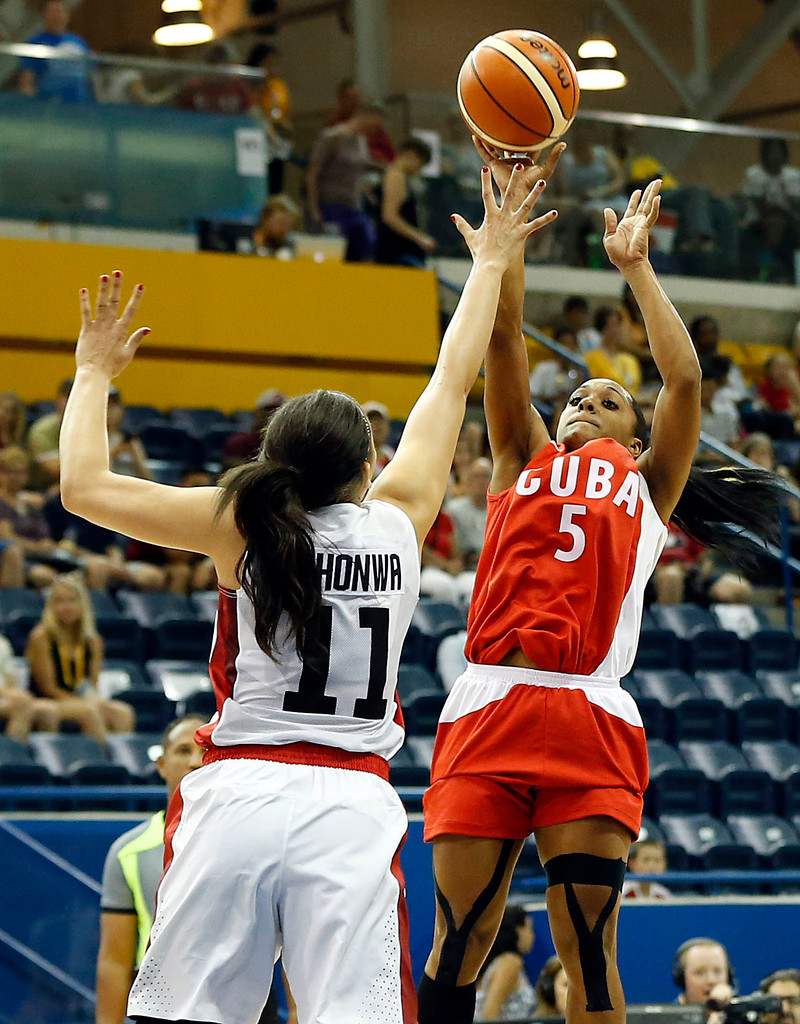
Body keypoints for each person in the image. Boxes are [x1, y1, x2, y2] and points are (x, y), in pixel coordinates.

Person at [58, 169, 557, 1023]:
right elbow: (450, 379)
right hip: (351, 805)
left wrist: (94, 370)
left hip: (241, 793)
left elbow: (80, 485)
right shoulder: (400, 520)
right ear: (369, 466)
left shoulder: (238, 522)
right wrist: (491, 260)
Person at [418, 144, 782, 1024]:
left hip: (589, 709)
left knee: (589, 950)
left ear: (635, 428)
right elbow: (502, 335)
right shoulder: (520, 454)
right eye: (577, 393)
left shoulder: (651, 486)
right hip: (493, 701)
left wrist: (637, 270)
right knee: (462, 936)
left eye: (609, 398)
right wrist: (503, 246)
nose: (586, 398)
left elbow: (684, 376)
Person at [96, 716, 206, 1024]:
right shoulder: (129, 851)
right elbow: (115, 961)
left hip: (245, 1005)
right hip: (158, 1006)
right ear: (161, 764)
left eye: (206, 750)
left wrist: (294, 1014)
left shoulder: (254, 840)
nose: (196, 762)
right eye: (183, 751)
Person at [27, 573, 135, 743]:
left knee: (123, 712)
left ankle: (122, 762)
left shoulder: (93, 640)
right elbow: (47, 687)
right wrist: (85, 703)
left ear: (82, 604)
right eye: (59, 601)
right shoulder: (42, 636)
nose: (66, 607)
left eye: (72, 600)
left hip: (80, 698)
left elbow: (92, 684)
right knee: (89, 712)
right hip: (49, 700)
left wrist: (96, 700)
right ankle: (104, 759)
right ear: (50, 606)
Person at [305, 107, 384, 262]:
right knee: (333, 252)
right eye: (373, 125)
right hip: (329, 204)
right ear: (363, 117)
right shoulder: (331, 137)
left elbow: (360, 168)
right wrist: (313, 209)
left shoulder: (361, 140)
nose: (374, 130)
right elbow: (312, 174)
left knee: (367, 240)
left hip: (352, 205)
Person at [376, 138, 436, 267]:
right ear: (412, 156)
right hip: (396, 248)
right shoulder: (395, 177)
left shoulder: (399, 176)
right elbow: (389, 216)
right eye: (419, 165)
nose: (417, 170)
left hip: (401, 246)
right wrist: (418, 237)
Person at [18, 0, 93, 103]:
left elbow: (91, 77)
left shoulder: (79, 43)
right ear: (45, 15)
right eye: (53, 12)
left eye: (60, 12)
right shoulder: (36, 44)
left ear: (67, 15)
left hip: (79, 105)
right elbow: (27, 81)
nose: (57, 16)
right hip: (49, 106)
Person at [474, 905, 536, 1021]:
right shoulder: (510, 963)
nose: (532, 936)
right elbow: (489, 1014)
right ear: (518, 930)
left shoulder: (495, 962)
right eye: (529, 928)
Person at [247, 43, 292, 194]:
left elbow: (282, 115)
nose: (271, 68)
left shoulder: (277, 86)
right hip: (255, 144)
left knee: (275, 187)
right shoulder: (247, 86)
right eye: (267, 63)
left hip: (276, 144)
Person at [0, 630, 59, 740]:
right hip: (5, 696)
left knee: (47, 710)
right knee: (21, 704)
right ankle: (11, 755)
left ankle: (44, 756)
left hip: (6, 698)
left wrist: (15, 693)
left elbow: (11, 680)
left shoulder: (2, 644)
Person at [584, 306, 642, 397]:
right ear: (603, 328)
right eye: (613, 325)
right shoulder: (592, 357)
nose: (617, 330)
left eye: (619, 325)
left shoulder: (630, 359)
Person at [446, 457, 492, 571]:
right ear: (468, 480)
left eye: (485, 476)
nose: (481, 481)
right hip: (465, 566)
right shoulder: (454, 510)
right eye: (477, 477)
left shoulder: (500, 511)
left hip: (492, 567)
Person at [27, 378, 72, 489]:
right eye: (68, 397)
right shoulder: (42, 429)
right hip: (43, 489)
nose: (73, 402)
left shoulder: (96, 428)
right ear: (57, 401)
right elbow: (55, 469)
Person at [223, 388, 287, 467]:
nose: (272, 415)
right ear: (256, 413)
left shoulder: (287, 444)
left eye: (278, 411)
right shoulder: (238, 442)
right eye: (267, 410)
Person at [672, 938, 734, 1008]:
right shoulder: (666, 1018)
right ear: (682, 978)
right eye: (700, 973)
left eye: (717, 972)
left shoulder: (744, 1014)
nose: (711, 980)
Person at [362, 401, 395, 477]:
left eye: (380, 420)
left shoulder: (392, 455)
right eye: (371, 419)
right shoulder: (356, 458)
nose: (376, 424)